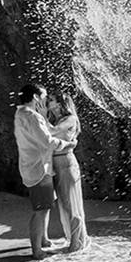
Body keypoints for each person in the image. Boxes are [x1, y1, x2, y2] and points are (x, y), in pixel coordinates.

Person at [14, 84, 76, 259]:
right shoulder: (32, 117)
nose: (46, 100)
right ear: (35, 97)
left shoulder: (21, 113)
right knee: (40, 209)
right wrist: (68, 145)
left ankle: (44, 240)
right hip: (39, 168)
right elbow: (48, 141)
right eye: (44, 96)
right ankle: (37, 251)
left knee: (46, 206)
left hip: (35, 166)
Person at [46, 92, 89, 252]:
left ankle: (77, 243)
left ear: (59, 103)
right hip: (56, 164)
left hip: (66, 163)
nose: (47, 103)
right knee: (63, 204)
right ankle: (74, 239)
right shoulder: (55, 120)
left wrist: (41, 117)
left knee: (71, 204)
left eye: (50, 100)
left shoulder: (70, 119)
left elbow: (51, 132)